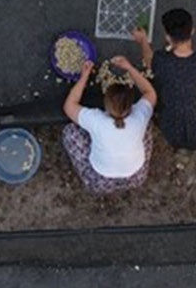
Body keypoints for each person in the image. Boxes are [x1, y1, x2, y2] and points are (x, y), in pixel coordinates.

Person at [133, 8, 196, 150]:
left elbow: (149, 61)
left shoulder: (160, 60)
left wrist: (143, 41)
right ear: (192, 31)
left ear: (167, 37)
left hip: (171, 134)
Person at [61, 56, 157, 194]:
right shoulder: (139, 116)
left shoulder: (97, 120)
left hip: (99, 179)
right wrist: (130, 68)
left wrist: (84, 76)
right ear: (131, 105)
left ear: (105, 105)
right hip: (136, 176)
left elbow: (69, 106)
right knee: (147, 125)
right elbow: (150, 92)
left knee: (70, 132)